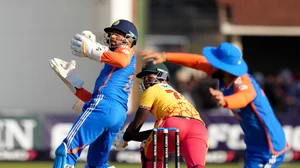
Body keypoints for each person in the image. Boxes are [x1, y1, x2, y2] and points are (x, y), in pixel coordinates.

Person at [139, 42, 289, 168]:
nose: (210, 64)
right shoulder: (224, 74)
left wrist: (225, 101)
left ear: (223, 67)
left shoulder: (244, 82)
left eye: (214, 62)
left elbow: (244, 97)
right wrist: (165, 56)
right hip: (253, 145)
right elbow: (197, 62)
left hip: (269, 146)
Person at [51, 19, 138, 168]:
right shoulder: (113, 65)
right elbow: (97, 100)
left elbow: (122, 61)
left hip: (104, 107)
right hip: (116, 115)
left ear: (130, 39)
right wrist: (74, 84)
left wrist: (93, 50)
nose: (113, 37)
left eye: (118, 34)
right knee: (96, 164)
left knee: (65, 152)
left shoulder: (125, 52)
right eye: (111, 34)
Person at [113, 60, 208, 168]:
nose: (145, 81)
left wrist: (125, 137)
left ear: (161, 75)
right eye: (144, 78)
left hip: (172, 123)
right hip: (199, 127)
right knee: (197, 166)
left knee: (148, 151)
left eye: (149, 76)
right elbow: (160, 132)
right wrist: (129, 137)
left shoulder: (152, 90)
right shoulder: (178, 93)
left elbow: (137, 124)